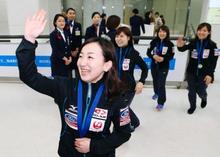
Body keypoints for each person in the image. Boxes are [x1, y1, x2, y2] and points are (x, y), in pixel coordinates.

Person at [16, 10, 131, 157]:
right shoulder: (64, 86)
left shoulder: (116, 93)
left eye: (90, 57)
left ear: (106, 65)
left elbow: (124, 133)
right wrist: (28, 40)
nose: (82, 62)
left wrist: (95, 146)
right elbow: (29, 76)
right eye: (81, 56)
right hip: (68, 152)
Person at [177, 22, 219, 114]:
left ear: (209, 32)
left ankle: (204, 97)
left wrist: (210, 74)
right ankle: (192, 106)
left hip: (204, 73)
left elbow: (214, 62)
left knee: (201, 91)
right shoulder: (193, 42)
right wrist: (180, 46)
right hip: (191, 72)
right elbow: (183, 48)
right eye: (199, 30)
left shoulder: (213, 45)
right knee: (191, 91)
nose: (201, 32)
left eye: (204, 30)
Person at [115, 26, 148, 131]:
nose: (118, 38)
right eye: (117, 36)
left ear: (128, 38)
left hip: (128, 88)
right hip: (114, 87)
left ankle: (125, 127)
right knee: (122, 107)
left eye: (121, 36)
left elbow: (145, 68)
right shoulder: (111, 51)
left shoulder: (133, 53)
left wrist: (141, 82)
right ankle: (135, 121)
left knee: (122, 107)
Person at [147, 25, 175, 111]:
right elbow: (148, 52)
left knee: (161, 83)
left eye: (163, 32)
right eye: (160, 31)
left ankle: (161, 102)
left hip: (163, 66)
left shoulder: (170, 44)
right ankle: (156, 92)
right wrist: (153, 56)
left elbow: (171, 56)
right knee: (155, 80)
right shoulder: (153, 42)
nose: (161, 33)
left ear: (167, 33)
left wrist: (163, 58)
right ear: (157, 33)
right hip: (154, 65)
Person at [65, 8, 82, 76]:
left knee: (77, 69)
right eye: (70, 13)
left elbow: (79, 38)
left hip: (76, 52)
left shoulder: (78, 25)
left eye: (73, 13)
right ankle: (69, 85)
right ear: (67, 14)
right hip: (67, 52)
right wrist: (70, 51)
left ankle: (77, 85)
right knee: (68, 71)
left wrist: (77, 50)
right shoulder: (64, 24)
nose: (72, 15)